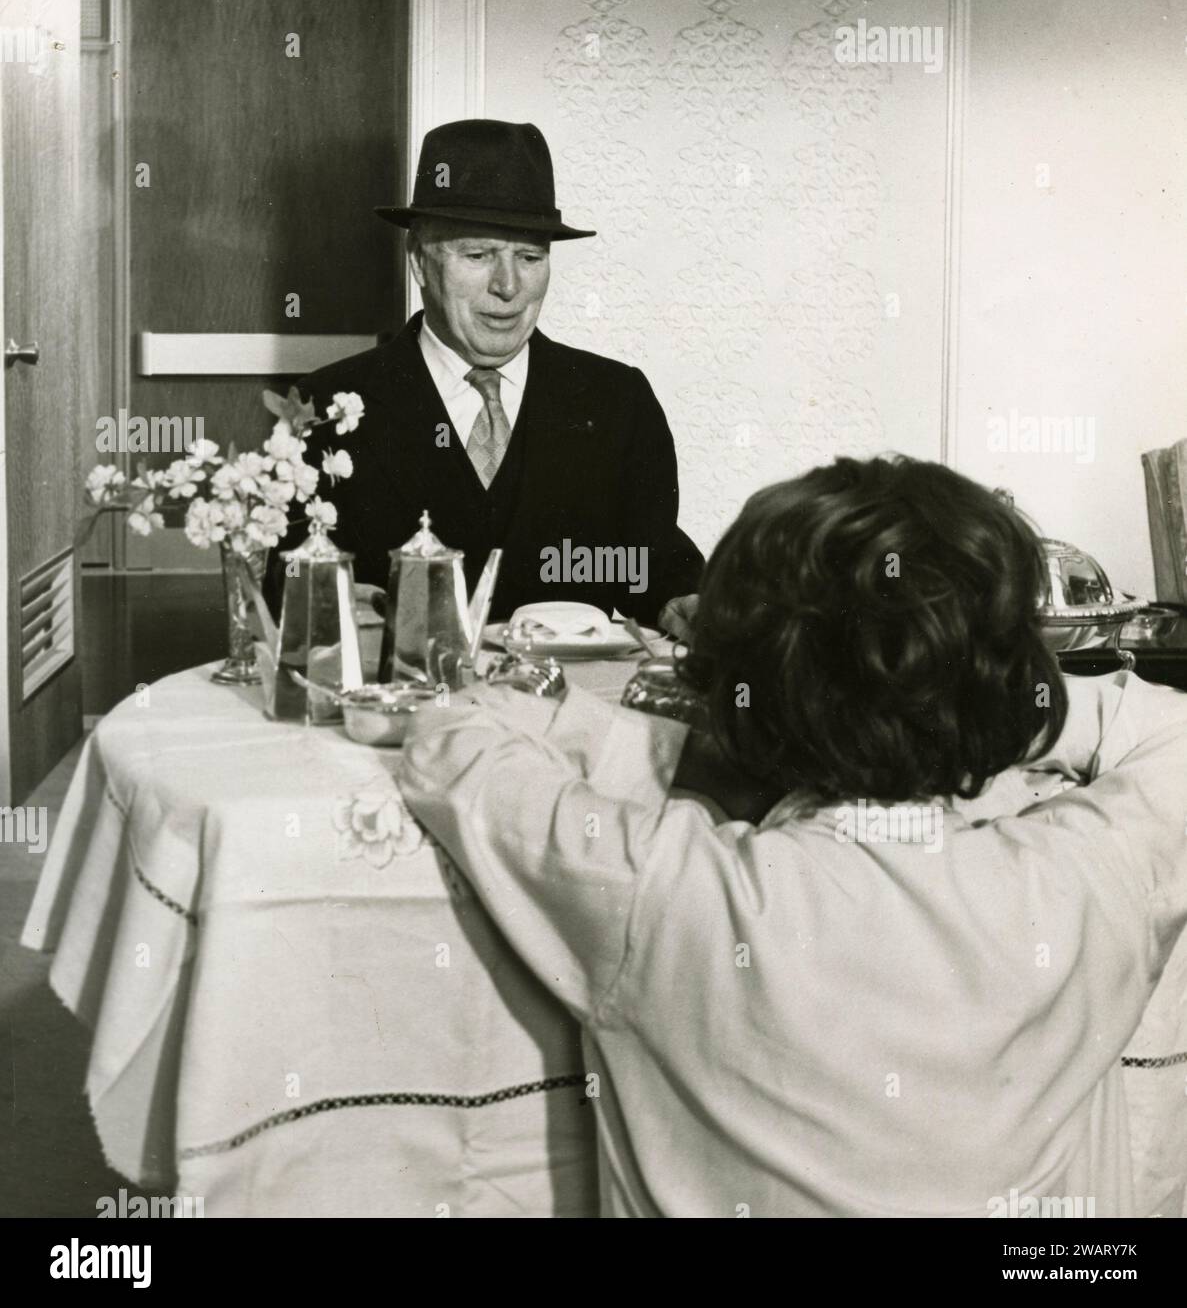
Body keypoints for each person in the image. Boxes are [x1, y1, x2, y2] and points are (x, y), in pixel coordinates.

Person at [397, 454, 1187, 1217]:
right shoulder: (1088, 878)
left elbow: (453, 734)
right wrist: (969, 712)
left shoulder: (663, 888)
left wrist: (696, 746)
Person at [272, 119, 703, 630]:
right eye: (477, 255)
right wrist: (329, 604)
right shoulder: (324, 404)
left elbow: (645, 562)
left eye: (530, 257)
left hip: (565, 704)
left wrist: (679, 601)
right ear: (419, 262)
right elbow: (284, 582)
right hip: (404, 706)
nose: (508, 286)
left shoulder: (615, 399)